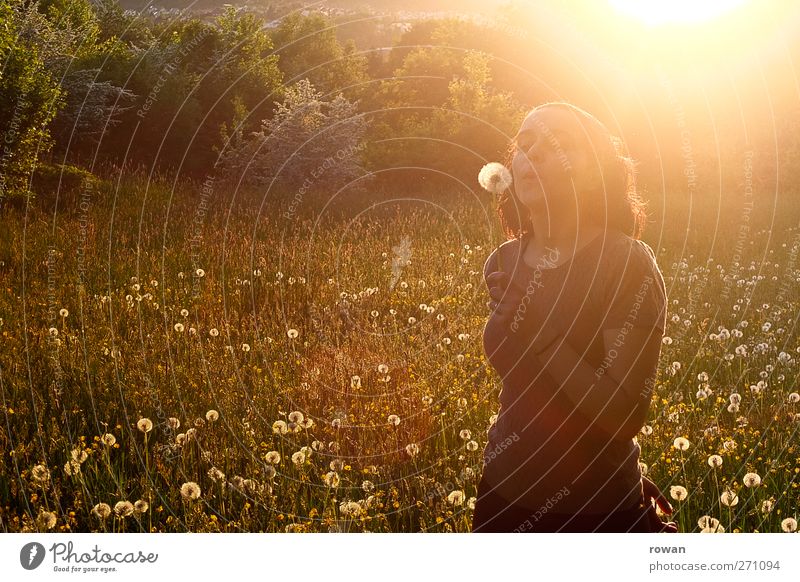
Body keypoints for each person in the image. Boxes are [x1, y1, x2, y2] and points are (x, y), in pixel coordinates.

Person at [472, 101, 677, 533]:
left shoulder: (625, 264)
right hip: (501, 494)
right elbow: (533, 395)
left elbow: (625, 417)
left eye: (559, 144)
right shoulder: (504, 261)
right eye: (525, 145)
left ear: (597, 169)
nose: (535, 155)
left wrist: (543, 336)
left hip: (597, 511)